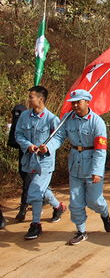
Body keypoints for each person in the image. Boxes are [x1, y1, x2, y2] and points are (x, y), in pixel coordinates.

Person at [41, 89, 110, 245]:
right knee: (76, 202)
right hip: (75, 164)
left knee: (95, 201)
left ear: (87, 102)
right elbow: (58, 137)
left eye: (77, 102)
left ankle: (105, 214)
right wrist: (48, 147)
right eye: (73, 103)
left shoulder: (97, 122)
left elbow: (101, 150)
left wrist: (97, 171)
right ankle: (81, 231)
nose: (74, 106)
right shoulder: (67, 119)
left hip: (92, 163)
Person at [15, 86, 66, 240]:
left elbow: (59, 137)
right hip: (30, 160)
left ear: (40, 99)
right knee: (40, 189)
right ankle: (59, 207)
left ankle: (35, 225)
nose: (29, 99)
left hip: (44, 162)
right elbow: (18, 134)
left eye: (31, 97)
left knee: (35, 191)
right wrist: (28, 145)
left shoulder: (51, 119)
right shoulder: (24, 116)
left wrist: (47, 147)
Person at [7, 104, 30, 221]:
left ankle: (23, 208)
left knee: (28, 181)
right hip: (23, 154)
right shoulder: (22, 117)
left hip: (34, 156)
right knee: (31, 181)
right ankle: (54, 204)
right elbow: (14, 138)